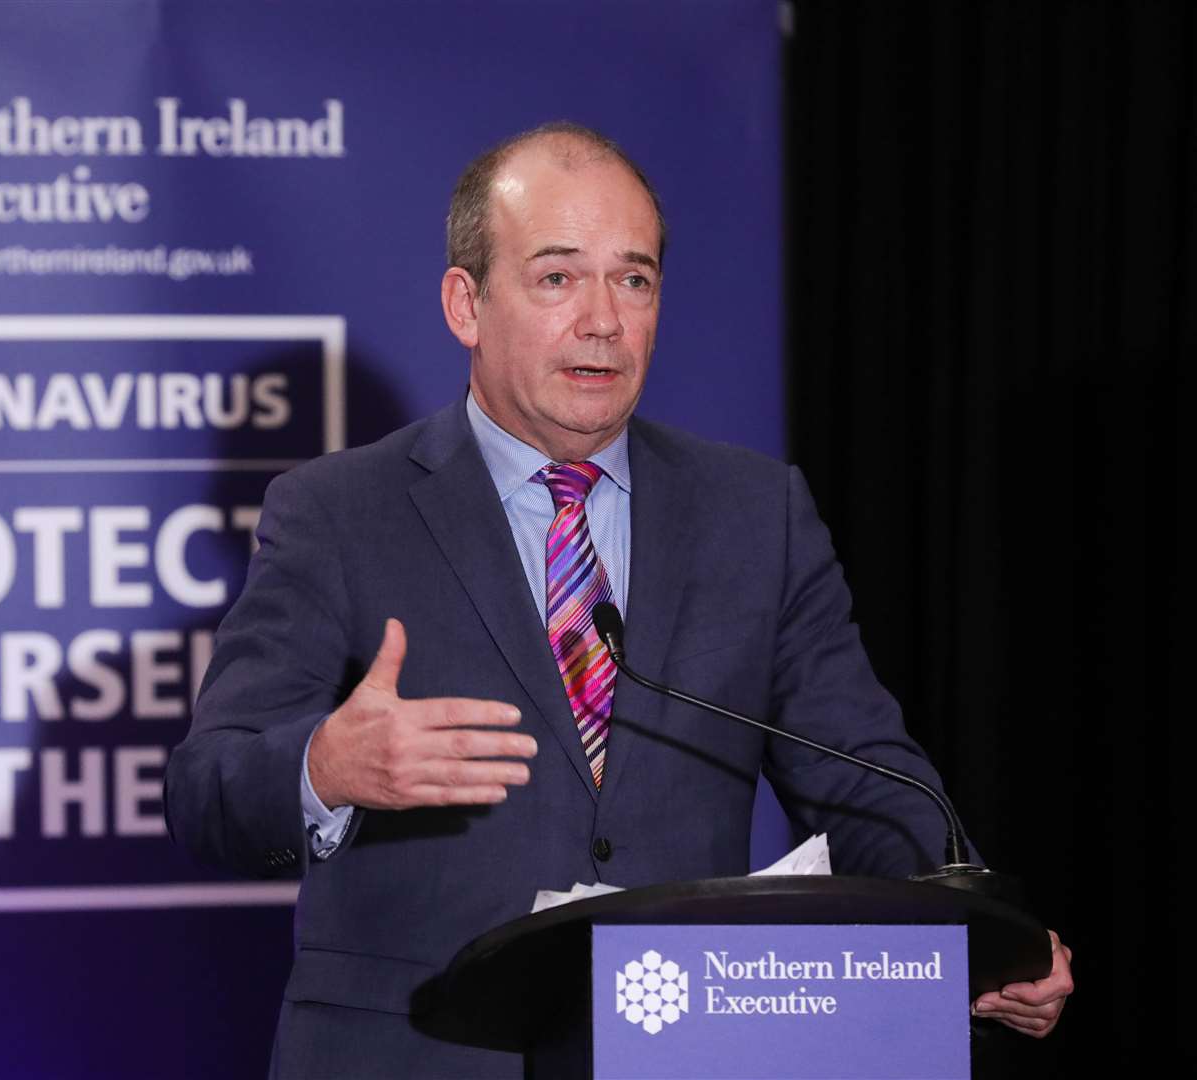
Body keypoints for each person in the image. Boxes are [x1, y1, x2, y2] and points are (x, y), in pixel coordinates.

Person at [164, 122, 1072, 1076]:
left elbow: (867, 779)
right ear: (465, 303)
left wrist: (974, 930)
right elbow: (206, 789)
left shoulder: (756, 514)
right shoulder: (339, 511)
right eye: (558, 277)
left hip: (689, 1048)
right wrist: (325, 766)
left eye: (633, 280)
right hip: (416, 1051)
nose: (603, 318)